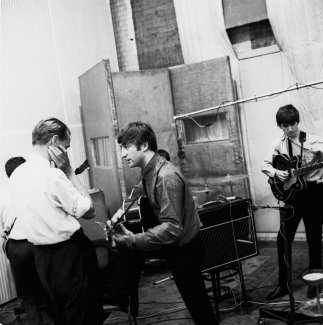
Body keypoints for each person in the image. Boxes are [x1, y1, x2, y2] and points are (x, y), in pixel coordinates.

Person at [111, 121, 217, 325]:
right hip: (178, 249)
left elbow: (172, 227)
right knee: (197, 307)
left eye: (126, 147)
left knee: (200, 309)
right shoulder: (150, 171)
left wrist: (135, 238)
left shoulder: (165, 177)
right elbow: (141, 195)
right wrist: (119, 215)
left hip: (185, 250)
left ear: (143, 146)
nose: (123, 154)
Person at [7, 118, 102, 325]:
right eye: (66, 147)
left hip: (42, 258)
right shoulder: (52, 176)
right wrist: (69, 172)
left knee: (59, 313)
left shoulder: (17, 175)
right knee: (84, 313)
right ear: (54, 141)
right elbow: (90, 210)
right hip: (70, 255)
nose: (66, 152)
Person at [261, 104, 323, 300]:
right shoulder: (277, 143)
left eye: (292, 124)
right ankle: (284, 284)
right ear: (280, 126)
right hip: (290, 197)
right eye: (284, 125)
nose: (289, 129)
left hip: (312, 194)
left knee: (314, 238)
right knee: (283, 239)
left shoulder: (314, 141)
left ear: (298, 122)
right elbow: (265, 164)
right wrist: (275, 172)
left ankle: (316, 282)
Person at [1, 157, 52, 325]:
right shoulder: (38, 188)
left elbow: (3, 231)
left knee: (28, 296)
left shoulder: (2, 193)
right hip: (39, 243)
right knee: (49, 288)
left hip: (16, 248)